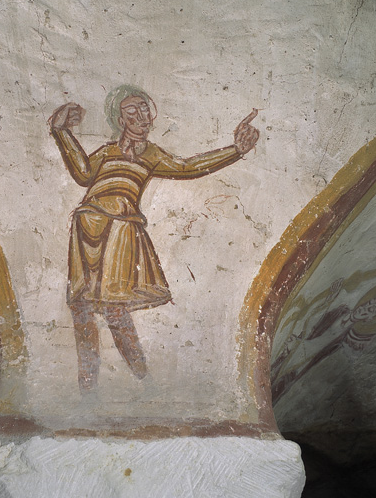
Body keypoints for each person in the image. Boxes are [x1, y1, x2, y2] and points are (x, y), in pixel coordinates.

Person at [49, 84, 259, 392]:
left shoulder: (151, 154)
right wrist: (61, 132)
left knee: (114, 308)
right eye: (131, 110)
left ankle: (143, 378)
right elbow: (82, 174)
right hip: (86, 226)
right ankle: (87, 387)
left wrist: (235, 151)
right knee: (81, 308)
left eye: (144, 108)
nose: (140, 115)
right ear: (120, 120)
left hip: (121, 228)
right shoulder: (107, 152)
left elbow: (187, 167)